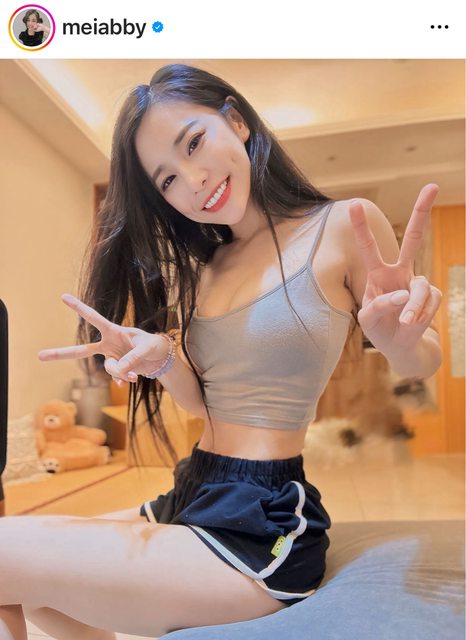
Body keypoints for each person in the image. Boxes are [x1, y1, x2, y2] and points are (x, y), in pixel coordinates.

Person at [0, 64, 442, 639]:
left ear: (236, 121)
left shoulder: (342, 225)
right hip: (195, 488)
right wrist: (161, 358)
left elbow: (419, 361)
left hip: (261, 526)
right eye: (167, 180)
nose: (194, 180)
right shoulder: (205, 268)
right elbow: (206, 406)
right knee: (31, 585)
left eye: (193, 143)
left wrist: (399, 342)